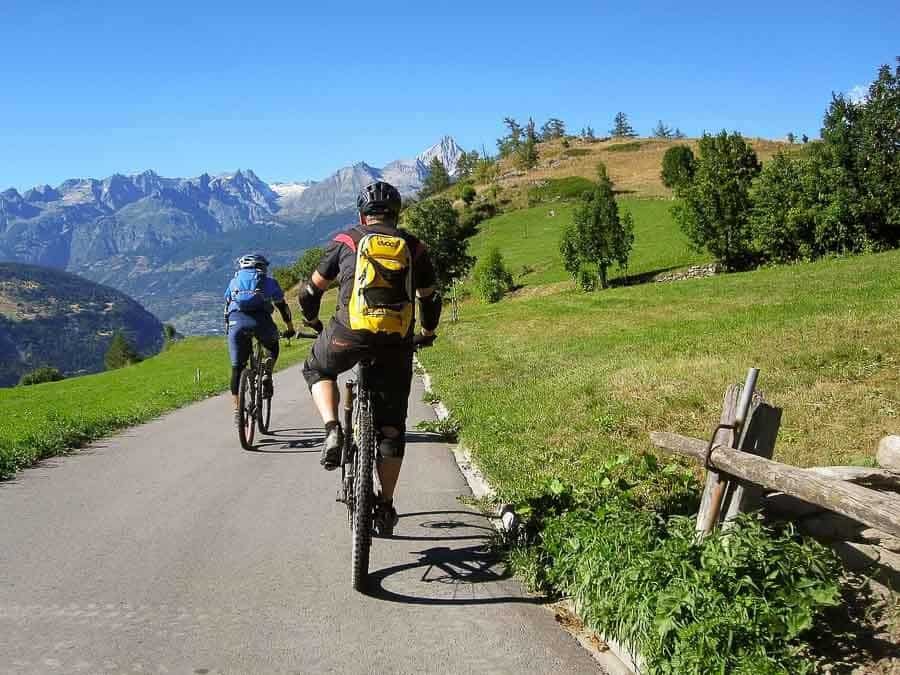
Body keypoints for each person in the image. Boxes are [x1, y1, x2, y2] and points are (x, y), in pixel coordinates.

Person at [299, 181, 441, 534]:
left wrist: (314, 322)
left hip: (348, 334)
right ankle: (386, 505)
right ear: (397, 214)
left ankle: (332, 428)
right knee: (392, 428)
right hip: (396, 341)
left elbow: (308, 291)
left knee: (316, 368)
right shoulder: (414, 246)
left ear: (362, 213)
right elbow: (430, 297)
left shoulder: (347, 240)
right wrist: (427, 332)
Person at [224, 253, 295, 425]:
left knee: (237, 368)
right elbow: (282, 307)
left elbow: (226, 305)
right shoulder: (269, 282)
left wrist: (229, 327)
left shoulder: (233, 282)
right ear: (262, 267)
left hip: (236, 323)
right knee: (272, 346)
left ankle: (237, 411)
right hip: (261, 322)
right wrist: (290, 328)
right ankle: (267, 373)